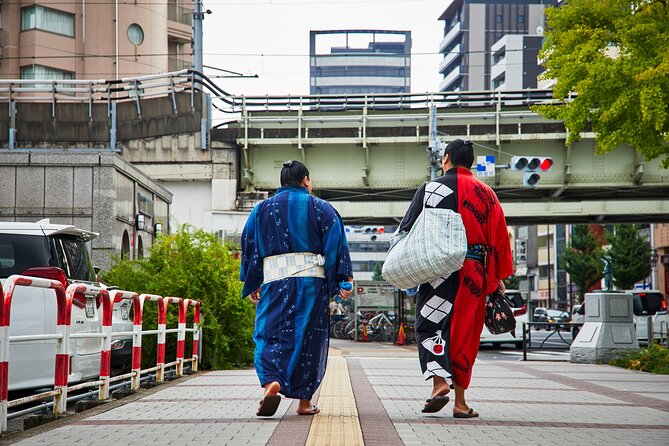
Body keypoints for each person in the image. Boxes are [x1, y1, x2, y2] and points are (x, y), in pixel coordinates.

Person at [397, 139, 513, 417]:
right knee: (465, 335)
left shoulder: (430, 189)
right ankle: (460, 403)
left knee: (430, 325)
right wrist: (495, 279)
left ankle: (439, 384)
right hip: (474, 270)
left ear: (446, 158)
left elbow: (407, 229)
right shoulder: (487, 194)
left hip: (437, 268)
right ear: (471, 162)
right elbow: (499, 241)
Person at [240, 160, 353, 417]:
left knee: (269, 335)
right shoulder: (322, 208)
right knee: (309, 340)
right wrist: (342, 280)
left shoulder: (260, 211)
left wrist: (252, 281)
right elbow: (336, 244)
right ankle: (304, 402)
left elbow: (249, 246)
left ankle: (272, 382)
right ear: (306, 181)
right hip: (312, 284)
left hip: (274, 282)